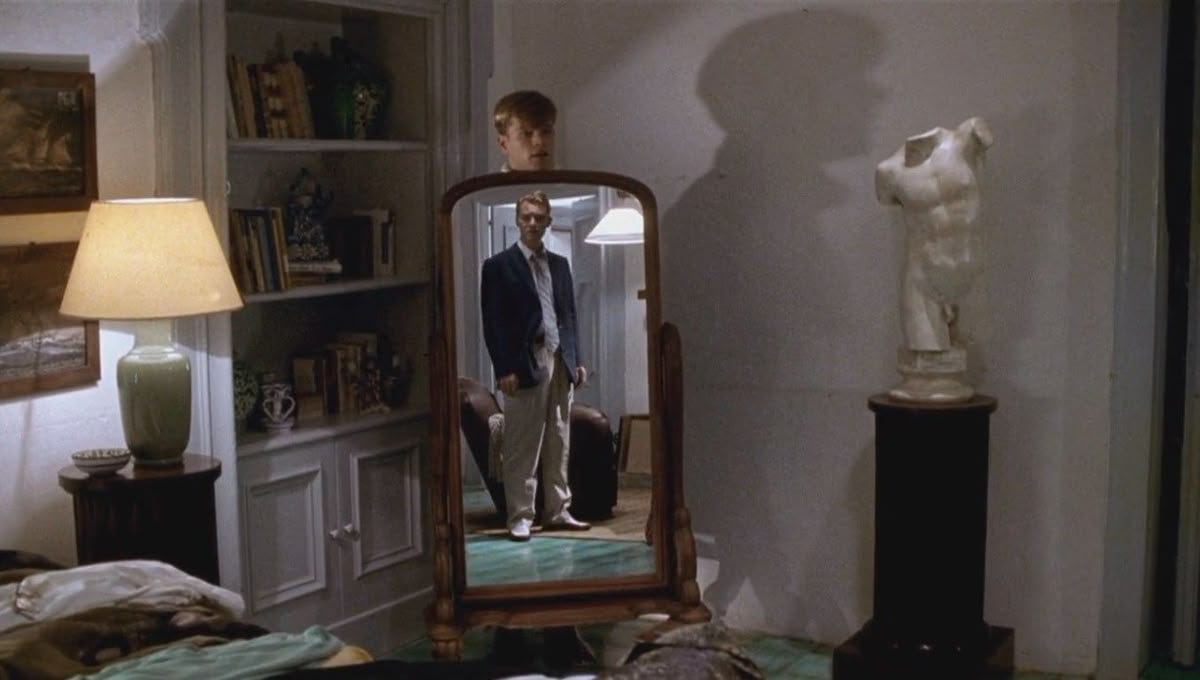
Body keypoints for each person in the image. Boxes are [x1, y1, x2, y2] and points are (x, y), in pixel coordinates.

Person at [480, 190, 590, 542]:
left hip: (560, 358)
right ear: (517, 219)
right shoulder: (498, 266)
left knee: (560, 439)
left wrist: (577, 359)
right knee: (522, 444)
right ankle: (520, 516)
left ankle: (558, 510)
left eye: (538, 218)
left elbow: (569, 314)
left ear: (548, 222)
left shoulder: (560, 265)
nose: (532, 223)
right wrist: (503, 369)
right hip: (524, 363)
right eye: (526, 216)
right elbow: (493, 323)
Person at [494, 90, 556, 172]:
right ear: (504, 145)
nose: (540, 141)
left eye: (546, 131)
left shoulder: (571, 180)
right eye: (527, 133)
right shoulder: (488, 181)